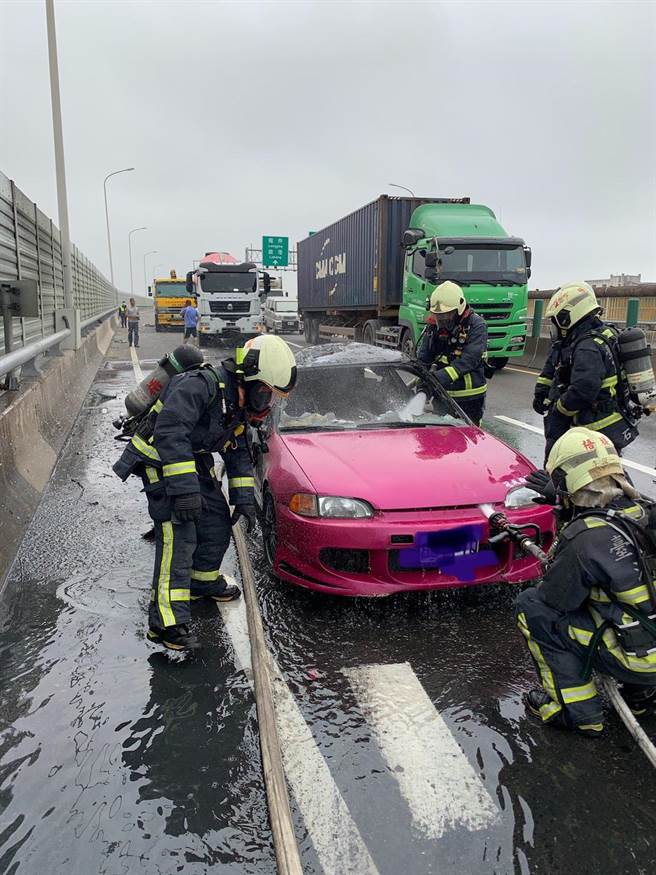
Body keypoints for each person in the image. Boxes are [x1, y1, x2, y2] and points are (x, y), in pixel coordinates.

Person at [113, 335, 297, 651]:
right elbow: (170, 433)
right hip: (160, 459)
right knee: (178, 538)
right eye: (267, 393)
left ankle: (201, 582)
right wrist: (184, 492)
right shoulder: (200, 385)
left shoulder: (238, 404)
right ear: (251, 381)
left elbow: (236, 449)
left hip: (190, 459)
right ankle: (166, 623)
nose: (268, 403)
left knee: (215, 523)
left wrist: (242, 500)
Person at [517, 427, 656, 736]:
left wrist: (565, 515)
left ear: (568, 482)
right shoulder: (645, 513)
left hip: (643, 659)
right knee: (630, 603)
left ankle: (580, 712)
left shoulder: (586, 536)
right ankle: (641, 696)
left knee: (532, 608)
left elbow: (557, 601)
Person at [533, 281, 638, 462]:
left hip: (594, 427)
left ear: (568, 316)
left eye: (557, 319)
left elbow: (584, 389)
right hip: (611, 423)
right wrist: (541, 392)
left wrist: (558, 410)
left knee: (570, 474)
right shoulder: (602, 333)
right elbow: (556, 367)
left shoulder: (586, 347)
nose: (555, 326)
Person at [417, 281, 488, 425]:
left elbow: (469, 360)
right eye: (438, 316)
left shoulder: (476, 325)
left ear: (459, 309)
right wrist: (422, 383)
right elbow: (424, 357)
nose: (442, 320)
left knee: (467, 439)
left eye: (447, 315)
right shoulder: (432, 326)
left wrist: (436, 379)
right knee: (441, 437)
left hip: (469, 397)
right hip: (442, 395)